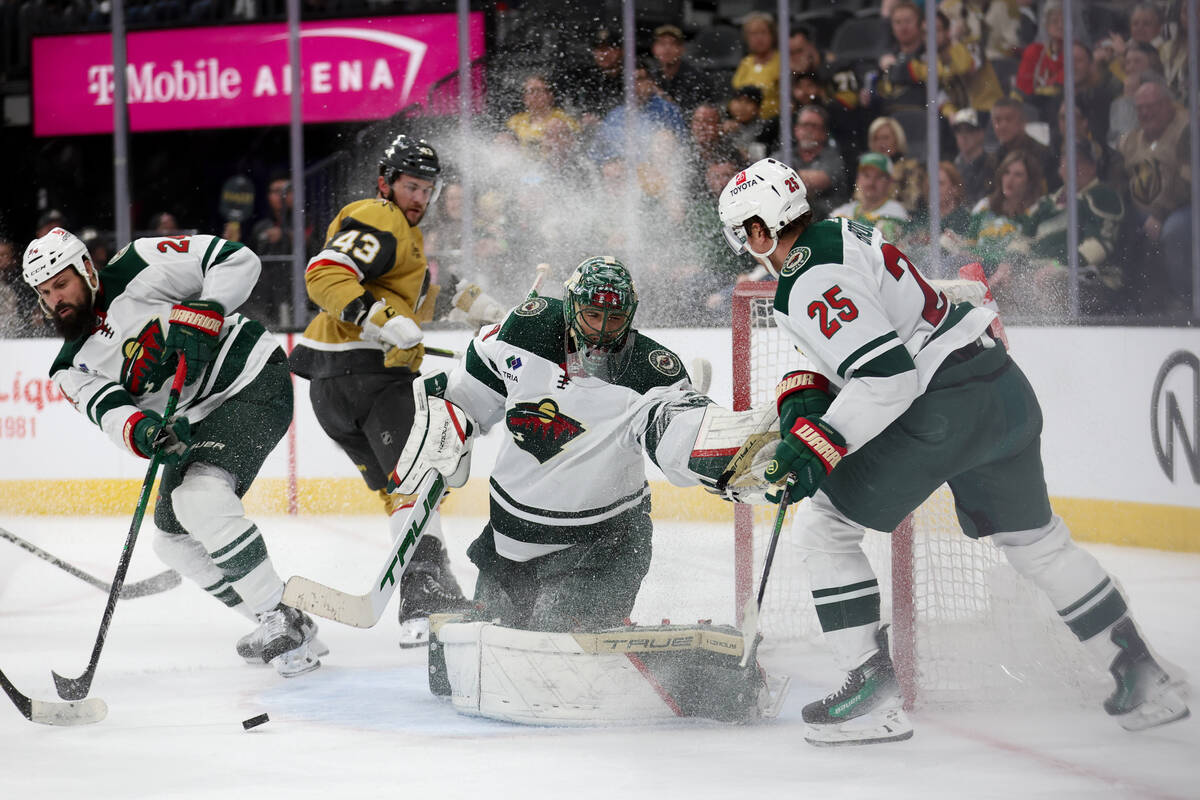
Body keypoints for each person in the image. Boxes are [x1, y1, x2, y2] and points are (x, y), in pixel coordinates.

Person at [716, 157, 1189, 745]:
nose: (744, 243)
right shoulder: (844, 232)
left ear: (761, 230)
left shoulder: (806, 278)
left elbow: (888, 378)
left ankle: (872, 696)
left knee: (826, 528)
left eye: (744, 230)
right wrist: (803, 397)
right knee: (1037, 543)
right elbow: (875, 343)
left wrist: (814, 447)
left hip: (943, 408)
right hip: (1000, 387)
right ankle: (1142, 674)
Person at [21, 226, 324, 676]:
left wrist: (207, 310)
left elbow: (239, 260)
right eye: (45, 292)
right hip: (195, 418)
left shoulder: (139, 262)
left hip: (250, 377)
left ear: (86, 269)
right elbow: (112, 413)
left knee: (197, 499)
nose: (55, 299)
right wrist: (145, 434)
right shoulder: (71, 367)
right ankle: (279, 620)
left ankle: (277, 614)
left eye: (61, 284)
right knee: (171, 540)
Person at [436, 256, 733, 630]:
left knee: (553, 642)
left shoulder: (649, 368)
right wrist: (444, 429)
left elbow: (679, 424)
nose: (603, 331)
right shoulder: (526, 329)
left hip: (600, 545)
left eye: (615, 318)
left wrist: (718, 451)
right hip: (510, 539)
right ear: (572, 306)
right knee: (485, 640)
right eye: (593, 315)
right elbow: (469, 391)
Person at [289, 134, 471, 646]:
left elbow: (412, 298)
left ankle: (429, 594)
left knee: (402, 491)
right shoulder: (381, 215)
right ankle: (427, 602)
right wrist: (379, 319)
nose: (419, 197)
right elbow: (325, 273)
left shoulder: (406, 238)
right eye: (410, 186)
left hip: (333, 391)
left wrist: (470, 304)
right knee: (419, 482)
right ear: (386, 183)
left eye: (427, 189)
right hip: (370, 380)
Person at [831, 153, 909, 244]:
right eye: (866, 175)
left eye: (879, 177)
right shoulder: (844, 211)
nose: (871, 182)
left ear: (889, 182)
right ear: (858, 179)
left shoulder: (895, 210)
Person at [647, 24, 714, 116]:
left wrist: (661, 96)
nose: (667, 48)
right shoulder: (650, 76)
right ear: (654, 49)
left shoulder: (696, 78)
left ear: (682, 49)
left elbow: (689, 114)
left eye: (673, 44)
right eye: (662, 44)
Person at [732, 12, 781, 120]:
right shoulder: (745, 62)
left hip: (772, 122)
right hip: (744, 123)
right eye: (753, 33)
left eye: (763, 32)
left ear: (772, 35)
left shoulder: (782, 62)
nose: (759, 38)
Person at [951, 108, 999, 206]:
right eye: (959, 131)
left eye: (969, 130)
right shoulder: (952, 168)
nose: (963, 136)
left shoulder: (994, 166)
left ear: (981, 133)